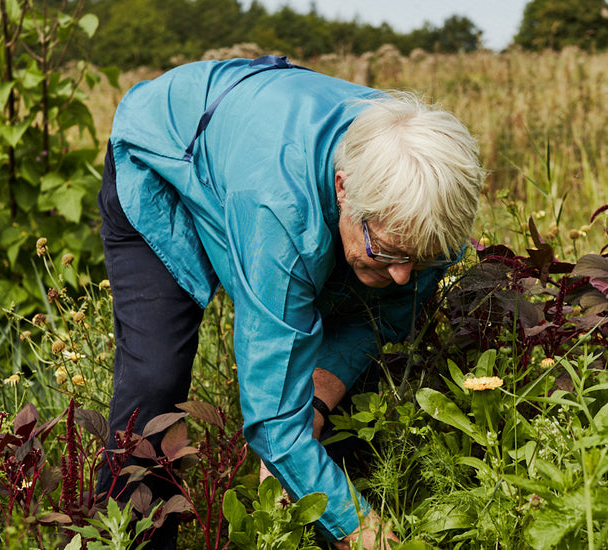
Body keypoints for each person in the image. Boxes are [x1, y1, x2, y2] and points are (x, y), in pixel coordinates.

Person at [94, 55, 485, 549]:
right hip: (164, 153)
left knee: (342, 341)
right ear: (344, 189)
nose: (405, 274)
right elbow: (273, 424)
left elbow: (382, 318)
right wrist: (367, 535)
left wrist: (314, 409)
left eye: (421, 259)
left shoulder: (428, 199)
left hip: (259, 139)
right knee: (156, 380)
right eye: (388, 252)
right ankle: (130, 540)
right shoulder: (281, 212)